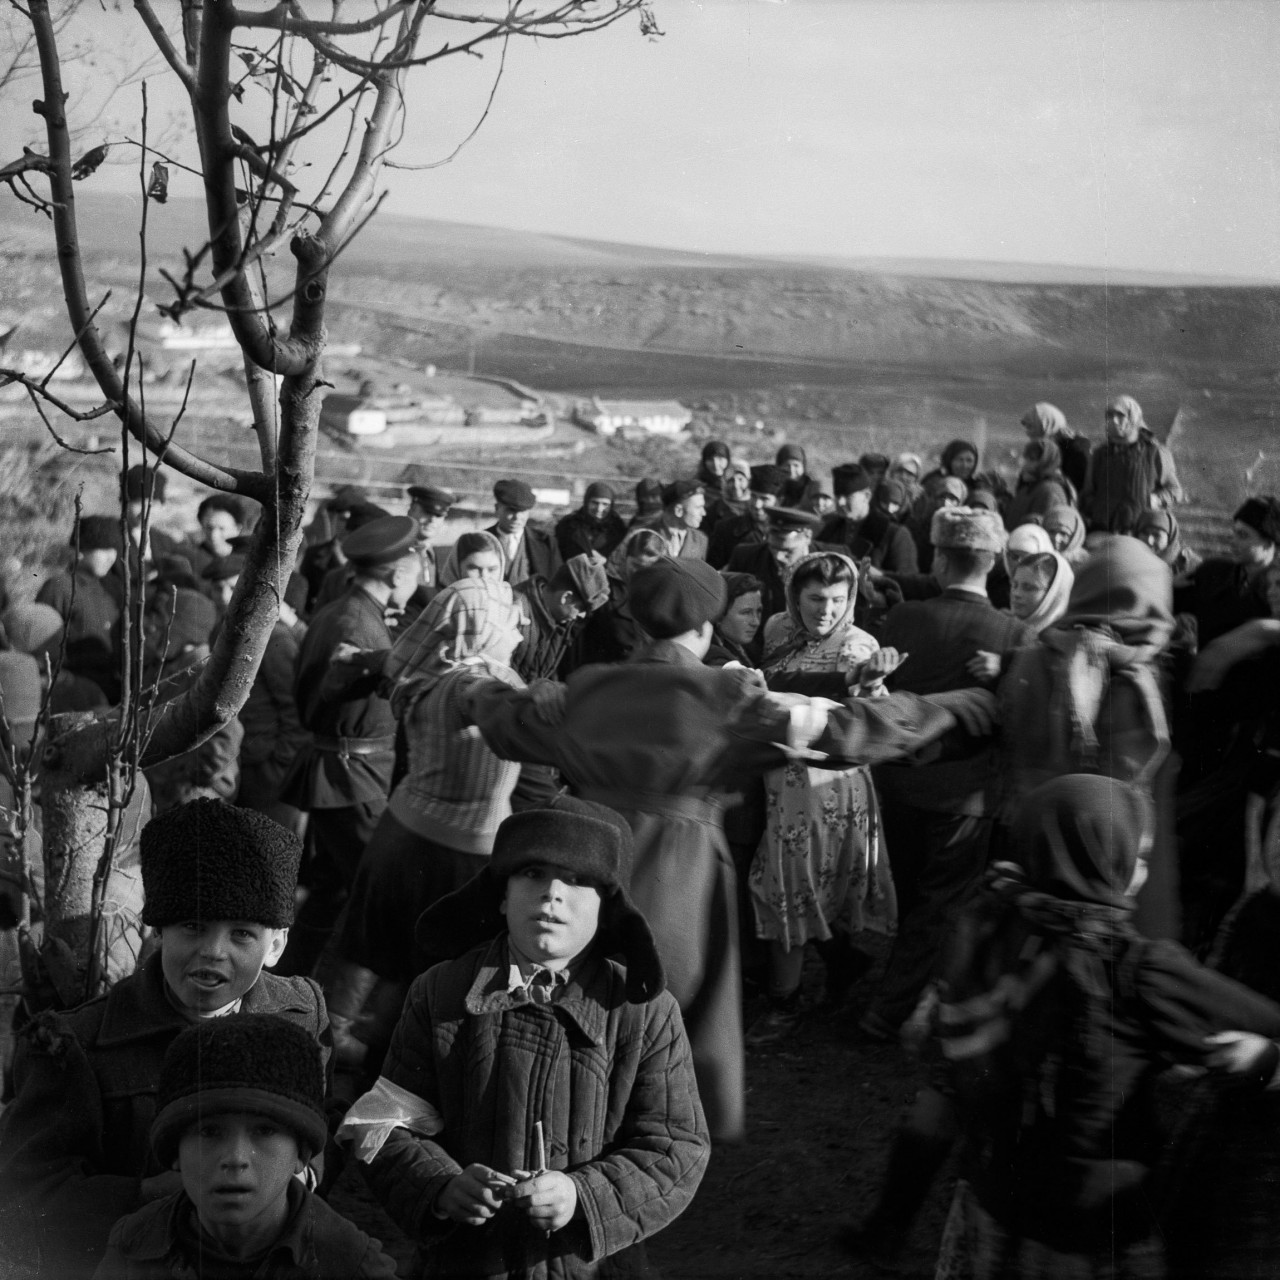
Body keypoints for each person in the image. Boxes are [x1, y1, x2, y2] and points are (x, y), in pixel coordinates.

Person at [455, 557, 999, 1141]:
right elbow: (845, 734)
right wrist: (955, 705)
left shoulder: (587, 691)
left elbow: (503, 720)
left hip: (589, 876)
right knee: (667, 1023)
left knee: (583, 1014)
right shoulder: (728, 698)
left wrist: (482, 685)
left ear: (636, 622)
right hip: (681, 881)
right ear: (708, 627)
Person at [921, 776, 1280, 1280]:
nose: (1141, 869)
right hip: (1088, 1227)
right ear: (1102, 859)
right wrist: (1265, 1059)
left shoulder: (993, 923)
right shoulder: (1138, 969)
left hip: (994, 1199)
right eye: (1138, 855)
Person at [343, 798, 711, 1279]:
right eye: (533, 873)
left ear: (609, 907)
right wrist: (440, 1185)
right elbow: (382, 1124)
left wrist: (582, 1196)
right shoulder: (441, 993)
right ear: (500, 894)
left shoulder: (643, 1013)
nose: (553, 893)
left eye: (579, 880)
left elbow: (675, 1147)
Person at [0, 800, 329, 1279]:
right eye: (192, 927)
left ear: (275, 945)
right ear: (158, 931)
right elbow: (24, 1198)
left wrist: (302, 1176)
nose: (213, 953)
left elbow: (321, 1126)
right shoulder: (78, 1047)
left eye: (241, 934)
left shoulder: (301, 1015)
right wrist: (157, 1193)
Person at [327, 578, 528, 1074]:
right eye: (505, 616)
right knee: (427, 966)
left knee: (373, 951)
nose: (517, 626)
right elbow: (486, 700)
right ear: (477, 628)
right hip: (456, 854)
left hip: (403, 835)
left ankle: (336, 1054)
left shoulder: (433, 675)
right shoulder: (472, 681)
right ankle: (370, 1063)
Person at [864, 507, 1033, 1040]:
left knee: (910, 896)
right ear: (993, 564)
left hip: (898, 782)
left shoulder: (905, 618)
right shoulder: (1011, 631)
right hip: (966, 794)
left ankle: (888, 997)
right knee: (938, 907)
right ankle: (887, 1011)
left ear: (938, 557)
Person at [96, 1014, 395, 1279]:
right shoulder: (133, 1246)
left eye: (264, 1131)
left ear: (302, 1155)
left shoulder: (350, 1264)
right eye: (209, 1131)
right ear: (175, 1151)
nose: (235, 1158)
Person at [748, 552, 898, 1041]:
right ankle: (843, 965)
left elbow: (867, 713)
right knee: (804, 882)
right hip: (776, 778)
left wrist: (870, 683)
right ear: (795, 596)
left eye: (838, 599)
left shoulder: (856, 645)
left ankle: (785, 1003)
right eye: (814, 598)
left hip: (824, 785)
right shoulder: (776, 630)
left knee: (793, 884)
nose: (826, 611)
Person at [279, 516, 422, 977]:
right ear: (399, 574)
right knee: (380, 893)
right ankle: (347, 1018)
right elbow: (344, 678)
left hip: (342, 770)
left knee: (334, 890)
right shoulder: (357, 624)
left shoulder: (343, 610)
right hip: (352, 777)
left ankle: (290, 982)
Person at [236, 574, 310, 835]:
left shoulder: (275, 639)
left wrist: (280, 765)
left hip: (270, 774)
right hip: (251, 764)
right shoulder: (238, 631)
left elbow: (296, 710)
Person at [36, 511, 122, 702]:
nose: (111, 557)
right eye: (103, 549)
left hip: (110, 689)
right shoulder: (59, 587)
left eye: (114, 549)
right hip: (72, 693)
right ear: (80, 551)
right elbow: (41, 647)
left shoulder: (111, 589)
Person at [1081, 395, 1183, 532]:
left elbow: (1174, 491)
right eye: (1109, 416)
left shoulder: (1155, 453)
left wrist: (1154, 500)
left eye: (1120, 415)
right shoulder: (1100, 454)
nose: (1114, 421)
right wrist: (1097, 509)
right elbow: (1088, 492)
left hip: (1141, 533)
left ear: (1133, 418)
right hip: (1104, 531)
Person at [442, 479, 561, 588]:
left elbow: (554, 584)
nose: (517, 517)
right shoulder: (478, 541)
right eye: (511, 510)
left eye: (523, 511)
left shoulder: (546, 543)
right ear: (497, 508)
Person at [574, 527, 666, 665]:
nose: (639, 573)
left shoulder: (664, 593)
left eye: (648, 568)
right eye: (635, 565)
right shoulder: (602, 588)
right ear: (624, 558)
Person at [727, 505, 829, 623]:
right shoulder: (745, 558)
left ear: (807, 537)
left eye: (788, 551)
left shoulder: (833, 560)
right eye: (773, 548)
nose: (778, 556)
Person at [819, 466, 919, 574]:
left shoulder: (893, 534)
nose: (841, 502)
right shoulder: (831, 528)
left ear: (867, 496)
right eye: (838, 496)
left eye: (848, 497)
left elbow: (907, 581)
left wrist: (879, 577)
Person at [707, 463, 786, 569]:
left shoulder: (789, 534)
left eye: (764, 499)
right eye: (753, 496)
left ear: (779, 501)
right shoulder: (725, 530)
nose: (757, 505)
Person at [1003, 437, 1077, 531]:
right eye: (1026, 458)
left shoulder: (1050, 491)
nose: (1026, 463)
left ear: (1047, 461)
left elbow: (1043, 531)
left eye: (1032, 459)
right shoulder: (1028, 487)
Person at [1020, 401, 1090, 494]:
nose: (1027, 433)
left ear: (1046, 425)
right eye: (1027, 427)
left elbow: (1077, 488)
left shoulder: (1075, 451)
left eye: (1031, 427)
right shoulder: (1039, 451)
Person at [554, 481, 626, 562]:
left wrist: (604, 561)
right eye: (595, 503)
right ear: (586, 502)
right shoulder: (568, 525)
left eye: (605, 504)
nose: (599, 509)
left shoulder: (618, 529)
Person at [1006, 550, 1073, 635]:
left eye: (1028, 588)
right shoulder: (1002, 628)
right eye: (1014, 585)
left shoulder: (1059, 642)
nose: (1016, 594)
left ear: (1053, 594)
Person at [707, 571, 764, 667]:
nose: (756, 622)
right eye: (746, 612)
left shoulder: (751, 647)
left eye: (759, 611)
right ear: (719, 614)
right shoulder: (714, 659)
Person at [188, 493, 248, 584]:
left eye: (221, 529)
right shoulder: (190, 562)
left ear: (237, 528)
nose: (213, 535)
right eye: (209, 528)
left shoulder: (248, 562)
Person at [641, 480, 709, 560]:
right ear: (678, 511)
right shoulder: (644, 536)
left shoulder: (700, 540)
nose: (704, 513)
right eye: (698, 507)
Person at [1134, 507, 1200, 577]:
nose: (1149, 541)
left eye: (1157, 535)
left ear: (1170, 537)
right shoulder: (1128, 560)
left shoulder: (1189, 565)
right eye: (1145, 533)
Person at [703, 458, 752, 533]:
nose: (736, 485)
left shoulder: (755, 506)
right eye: (731, 480)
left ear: (748, 481)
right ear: (724, 482)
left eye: (740, 479)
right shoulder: (715, 508)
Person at [776, 442, 819, 509]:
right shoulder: (773, 487)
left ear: (803, 467)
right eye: (787, 465)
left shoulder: (812, 489)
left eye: (796, 465)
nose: (791, 470)